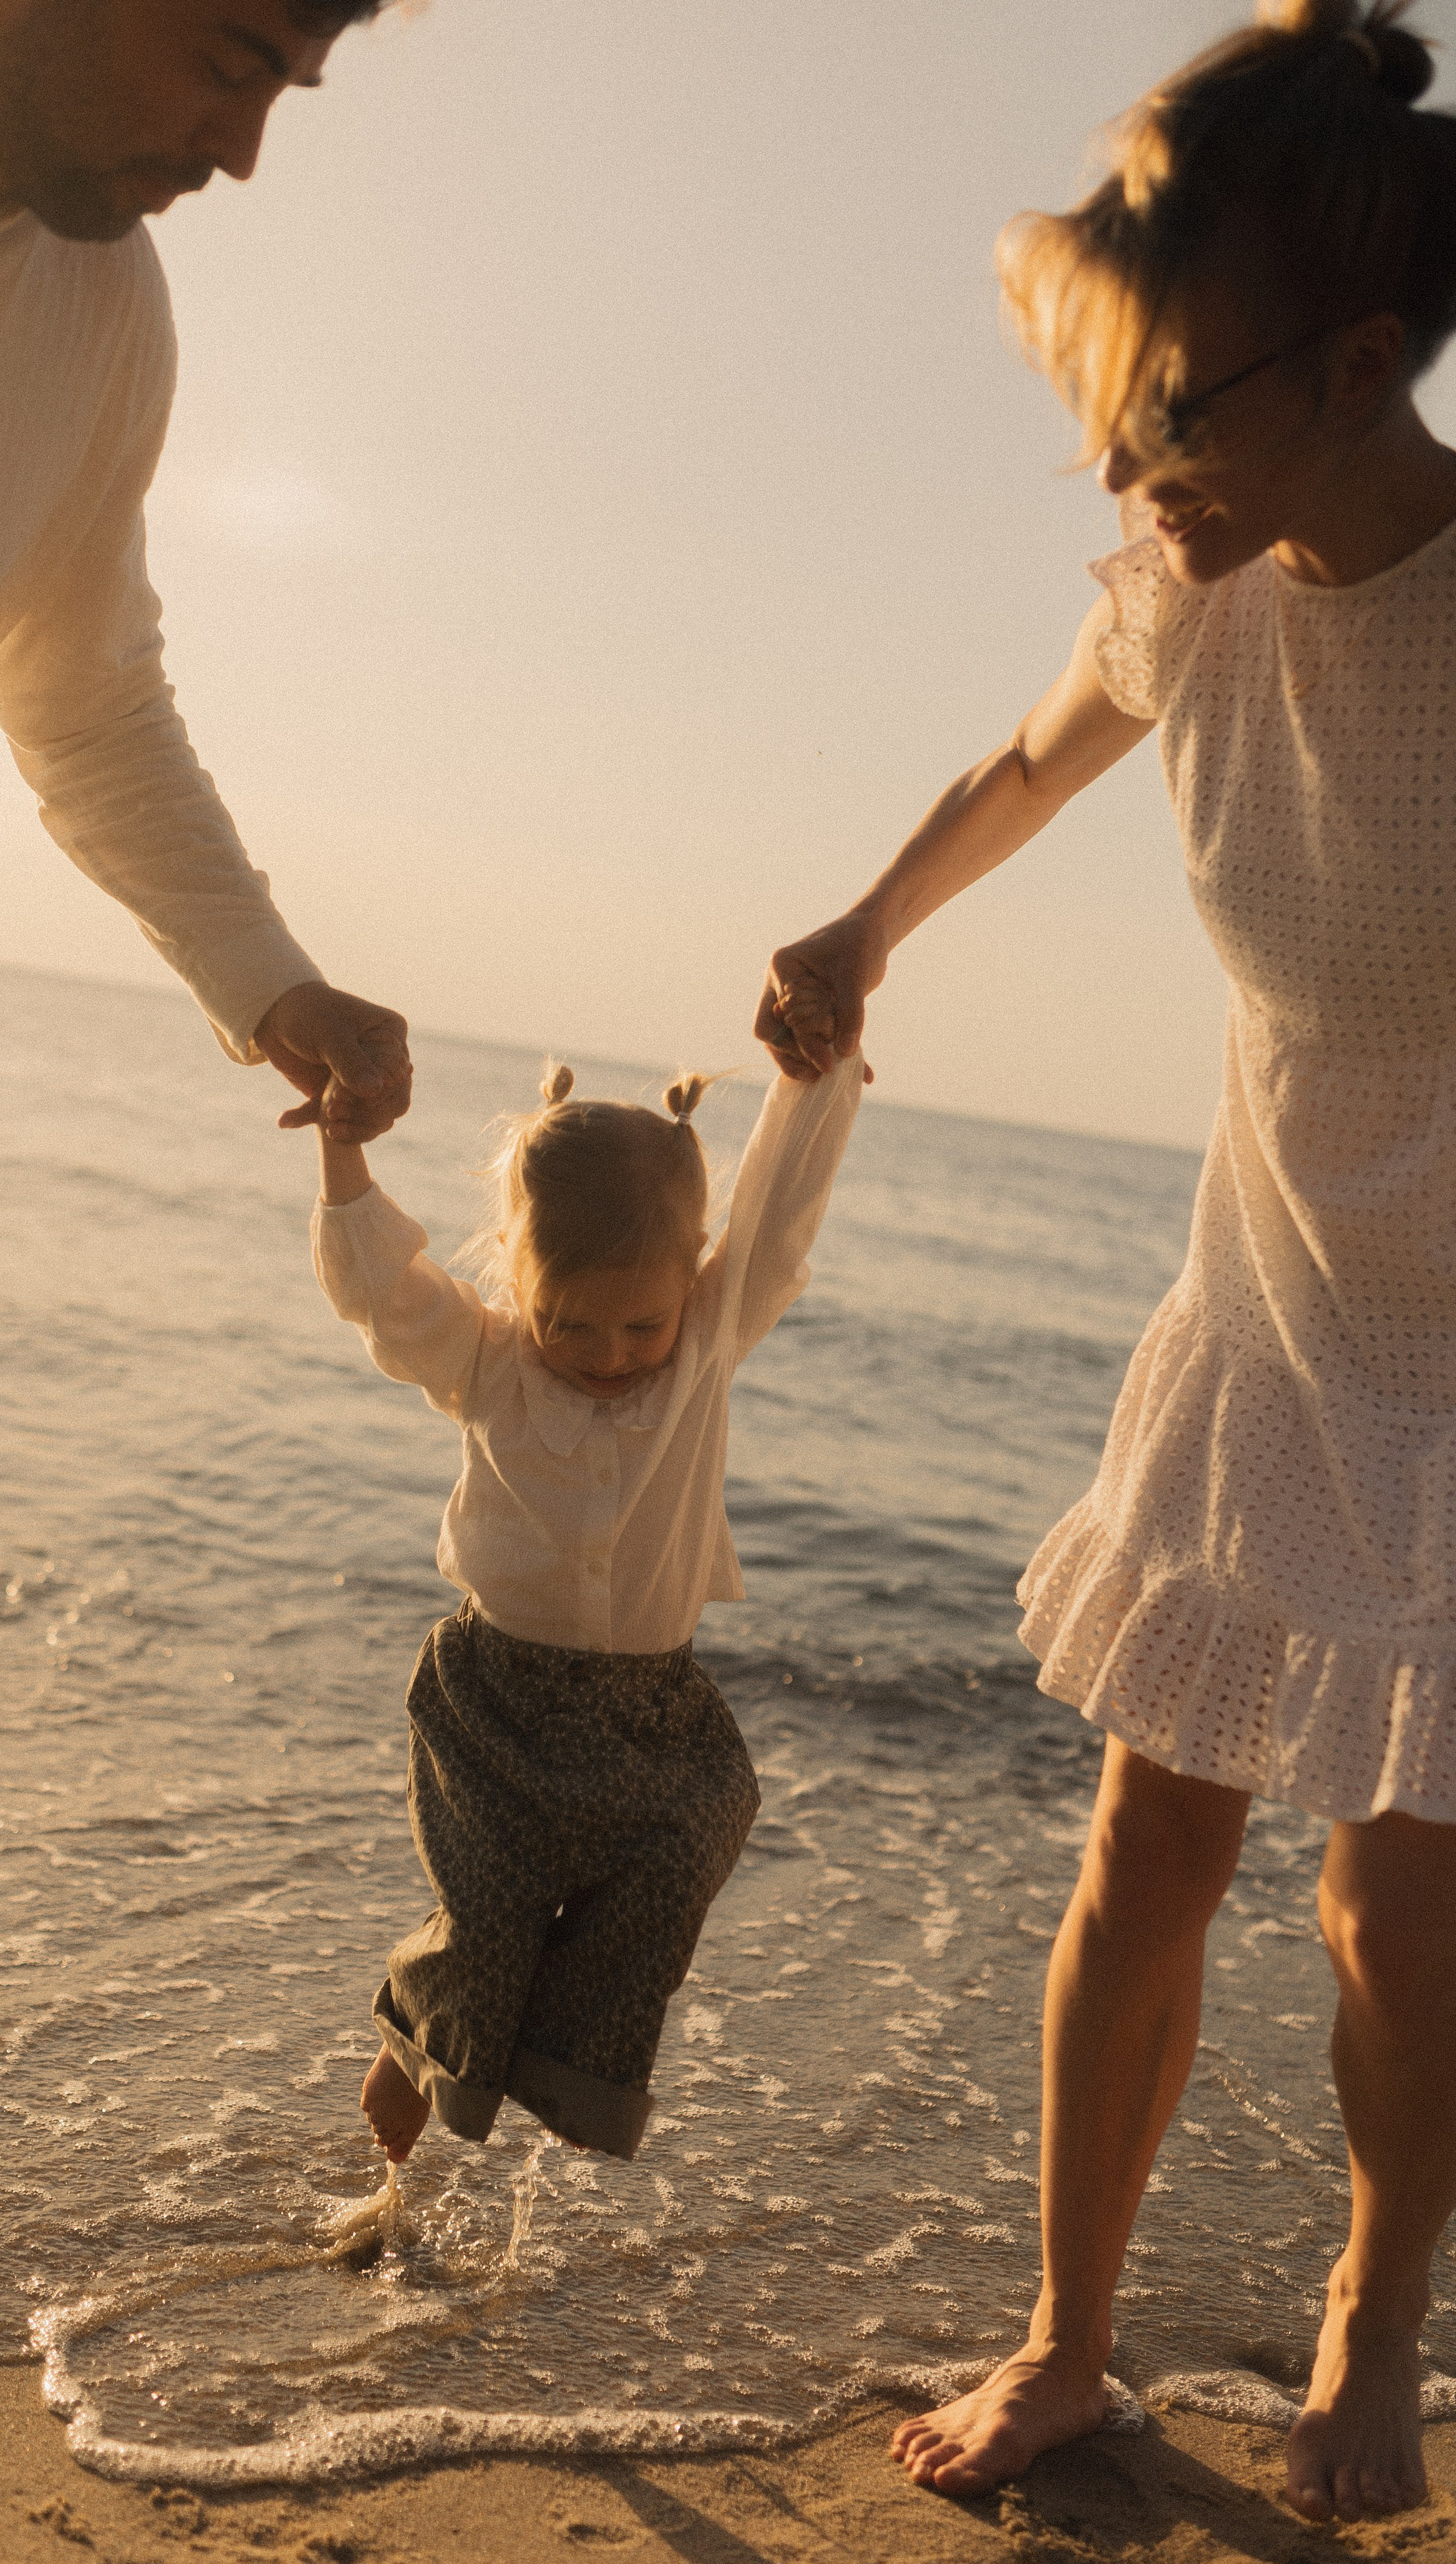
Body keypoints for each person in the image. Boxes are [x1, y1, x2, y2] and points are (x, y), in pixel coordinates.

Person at [757, 0, 1456, 2527]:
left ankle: (1381, 2317)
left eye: (1178, 408)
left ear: (1364, 363)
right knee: (1148, 1838)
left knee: (1398, 1912)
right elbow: (1027, 761)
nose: (1125, 464)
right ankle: (1071, 2341)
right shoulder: (1194, 588)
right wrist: (862, 927)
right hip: (1274, 1292)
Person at [0, 0, 415, 2384]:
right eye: (232, 57)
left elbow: (88, 696)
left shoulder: (104, 315)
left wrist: (278, 986)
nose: (241, 150)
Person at [312, 1050, 864, 2161]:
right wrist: (342, 1153)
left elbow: (778, 1217)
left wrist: (821, 1074)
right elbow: (386, 1295)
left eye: (639, 1329)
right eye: (569, 1324)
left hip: (652, 1707)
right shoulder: (485, 1358)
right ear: (519, 1281)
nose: (607, 1356)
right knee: (493, 1915)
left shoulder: (706, 1347)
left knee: (686, 1848)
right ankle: (422, 2041)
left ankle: (553, 2068)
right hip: (494, 1701)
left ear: (694, 1287)